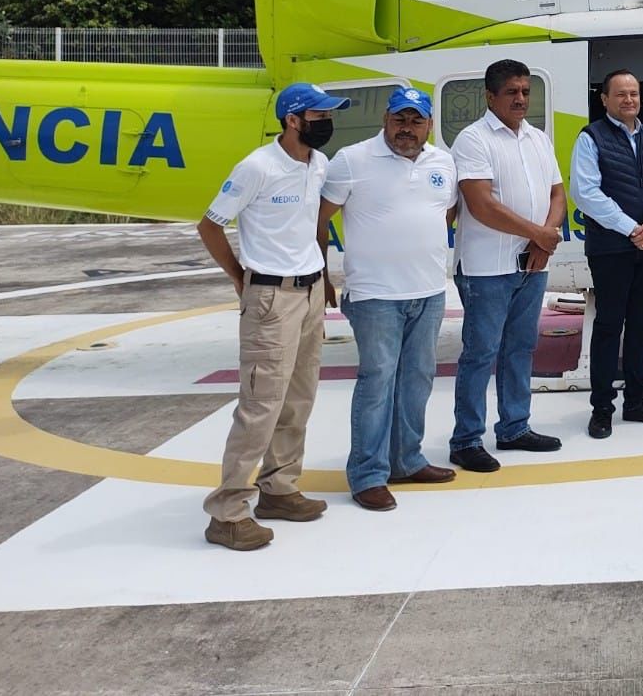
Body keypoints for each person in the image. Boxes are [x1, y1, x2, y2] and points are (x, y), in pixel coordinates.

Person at [196, 81, 348, 551]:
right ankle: (228, 512)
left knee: (298, 399)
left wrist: (322, 276)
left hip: (307, 294)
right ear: (292, 120)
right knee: (260, 404)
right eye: (319, 116)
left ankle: (279, 489)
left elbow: (311, 228)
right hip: (269, 298)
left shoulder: (318, 164)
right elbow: (209, 225)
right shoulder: (256, 167)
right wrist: (240, 275)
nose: (327, 123)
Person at [318, 88, 458, 512]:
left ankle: (406, 460)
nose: (407, 129)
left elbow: (445, 213)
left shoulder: (443, 162)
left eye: (416, 121)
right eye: (400, 119)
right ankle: (367, 474)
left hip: (429, 291)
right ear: (386, 119)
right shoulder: (351, 160)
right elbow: (319, 221)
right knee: (377, 383)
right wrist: (322, 274)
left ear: (429, 125)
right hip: (374, 294)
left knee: (417, 380)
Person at [448, 60, 567, 473]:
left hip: (532, 266)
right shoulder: (473, 140)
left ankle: (515, 427)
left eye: (525, 91)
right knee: (481, 352)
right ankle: (465, 439)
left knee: (521, 348)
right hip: (486, 269)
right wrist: (539, 233)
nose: (520, 99)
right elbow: (482, 205)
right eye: (512, 92)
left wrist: (544, 240)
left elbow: (557, 193)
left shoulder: (537, 138)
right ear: (490, 96)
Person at [571, 69, 643, 438]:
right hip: (612, 248)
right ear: (604, 99)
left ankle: (637, 400)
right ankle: (602, 407)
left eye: (633, 93)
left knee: (641, 325)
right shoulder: (590, 138)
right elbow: (586, 193)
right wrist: (632, 228)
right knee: (608, 326)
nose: (628, 100)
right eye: (620, 94)